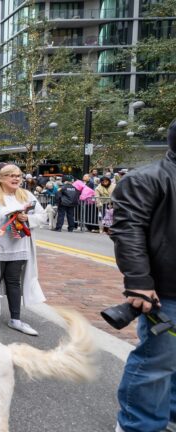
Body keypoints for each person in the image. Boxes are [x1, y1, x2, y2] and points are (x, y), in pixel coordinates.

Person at [111, 119, 176, 432]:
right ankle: (138, 425)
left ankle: (169, 414)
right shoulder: (147, 178)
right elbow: (128, 230)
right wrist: (139, 283)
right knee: (156, 361)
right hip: (166, 292)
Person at [0, 164, 47, 336]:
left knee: (14, 281)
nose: (16, 178)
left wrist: (27, 218)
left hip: (19, 246)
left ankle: (16, 318)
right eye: (11, 175)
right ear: (1, 178)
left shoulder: (27, 195)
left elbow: (42, 216)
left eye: (18, 175)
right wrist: (9, 215)